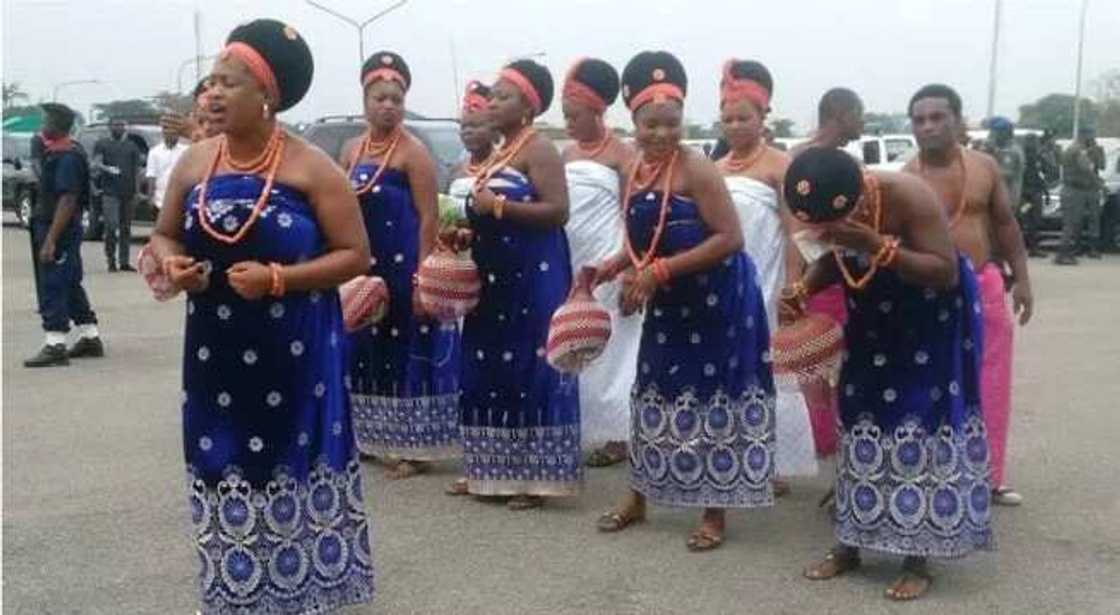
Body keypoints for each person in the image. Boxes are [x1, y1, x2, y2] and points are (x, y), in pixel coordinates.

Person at [146, 19, 375, 612]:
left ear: (267, 95)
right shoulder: (195, 164)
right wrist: (173, 267)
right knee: (221, 462)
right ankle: (235, 594)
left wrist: (280, 279)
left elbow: (356, 255)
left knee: (288, 462)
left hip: (294, 351)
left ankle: (303, 595)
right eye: (211, 82)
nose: (213, 94)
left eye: (231, 82)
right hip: (214, 352)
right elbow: (165, 235)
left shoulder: (310, 167)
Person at [789, 147, 993, 600]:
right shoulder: (833, 209)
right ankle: (851, 544)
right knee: (859, 422)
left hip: (926, 323)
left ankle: (917, 556)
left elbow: (942, 273)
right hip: (871, 322)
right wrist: (804, 286)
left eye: (834, 224)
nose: (827, 232)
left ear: (860, 193)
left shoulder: (909, 195)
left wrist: (875, 245)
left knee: (916, 427)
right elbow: (833, 258)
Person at [594, 51, 776, 552]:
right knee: (652, 392)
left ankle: (714, 511)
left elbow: (730, 238)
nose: (661, 134)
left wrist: (658, 271)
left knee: (711, 400)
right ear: (633, 122)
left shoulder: (697, 167)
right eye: (650, 125)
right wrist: (616, 265)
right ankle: (639, 495)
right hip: (669, 301)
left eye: (671, 124)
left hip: (719, 302)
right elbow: (645, 237)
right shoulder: (635, 169)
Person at [457, 59, 581, 510]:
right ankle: (490, 471)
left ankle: (536, 479)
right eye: (492, 94)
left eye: (503, 96)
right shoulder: (497, 152)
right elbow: (484, 209)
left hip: (533, 276)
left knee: (531, 368)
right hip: (492, 278)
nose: (492, 102)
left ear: (528, 107)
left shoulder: (540, 149)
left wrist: (500, 209)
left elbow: (558, 211)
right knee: (487, 366)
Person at [905, 84, 1033, 507]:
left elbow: (1006, 223)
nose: (928, 126)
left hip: (984, 284)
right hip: (931, 293)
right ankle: (938, 472)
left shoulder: (984, 167)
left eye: (937, 117)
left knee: (991, 382)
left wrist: (1024, 278)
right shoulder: (906, 179)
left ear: (958, 121)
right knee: (934, 384)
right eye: (920, 119)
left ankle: (990, 476)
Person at [339, 51, 460, 479]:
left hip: (403, 263)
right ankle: (371, 438)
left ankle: (413, 447)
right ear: (365, 101)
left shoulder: (414, 153)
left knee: (405, 348)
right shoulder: (351, 150)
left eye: (396, 98)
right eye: (380, 98)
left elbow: (429, 216)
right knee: (365, 348)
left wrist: (422, 275)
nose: (388, 105)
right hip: (363, 266)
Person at [715, 58, 817, 486]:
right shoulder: (715, 170)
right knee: (727, 364)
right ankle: (732, 448)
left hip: (770, 277)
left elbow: (798, 231)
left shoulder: (781, 164)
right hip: (724, 282)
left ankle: (775, 461)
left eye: (744, 117)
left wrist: (794, 286)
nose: (735, 126)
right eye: (728, 119)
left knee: (771, 366)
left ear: (762, 118)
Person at [559, 57, 642, 468]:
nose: (569, 123)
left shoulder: (624, 155)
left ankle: (618, 436)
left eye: (575, 116)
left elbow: (634, 216)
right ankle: (583, 425)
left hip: (609, 259)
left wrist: (628, 268)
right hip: (571, 259)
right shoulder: (566, 152)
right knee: (575, 343)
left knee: (613, 351)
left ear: (597, 110)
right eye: (565, 116)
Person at [23, 103, 103, 368]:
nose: (42, 125)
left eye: (46, 120)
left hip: (57, 228)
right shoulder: (60, 152)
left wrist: (51, 239)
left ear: (57, 124)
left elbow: (68, 200)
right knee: (69, 282)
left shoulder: (67, 156)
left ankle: (55, 342)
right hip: (54, 226)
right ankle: (90, 335)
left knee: (53, 283)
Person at [93, 117, 143, 271]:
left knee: (125, 228)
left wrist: (137, 191)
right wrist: (108, 169)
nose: (119, 128)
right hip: (110, 192)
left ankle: (124, 261)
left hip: (128, 192)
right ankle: (110, 260)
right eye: (116, 125)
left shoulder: (132, 146)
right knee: (111, 225)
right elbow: (97, 162)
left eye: (122, 125)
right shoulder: (102, 144)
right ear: (110, 127)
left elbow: (137, 171)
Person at [1055, 125, 1103, 265]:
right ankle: (1063, 255)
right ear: (1084, 135)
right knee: (1070, 224)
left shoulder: (1073, 148)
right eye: (1091, 135)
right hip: (1074, 191)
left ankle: (1065, 253)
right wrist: (1101, 185)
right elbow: (1086, 169)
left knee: (1071, 223)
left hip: (1072, 189)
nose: (1093, 138)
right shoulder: (1077, 150)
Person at [791, 87, 865, 156]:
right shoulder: (795, 159)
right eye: (858, 114)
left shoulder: (793, 156)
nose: (862, 122)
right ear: (841, 115)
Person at [985, 117, 1025, 220]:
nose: (992, 135)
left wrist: (992, 156)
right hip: (995, 199)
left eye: (995, 132)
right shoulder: (1000, 149)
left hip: (1007, 200)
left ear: (1005, 133)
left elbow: (1006, 174)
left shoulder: (1012, 151)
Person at [143, 123, 189, 210]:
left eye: (175, 133)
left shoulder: (186, 151)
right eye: (169, 133)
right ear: (164, 134)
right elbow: (151, 175)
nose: (172, 136)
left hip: (180, 197)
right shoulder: (155, 152)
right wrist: (150, 197)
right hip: (160, 198)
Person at [1020, 134, 1047, 257]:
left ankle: (1033, 248)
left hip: (1032, 194)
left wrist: (1045, 192)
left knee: (1033, 222)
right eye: (1034, 142)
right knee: (1027, 221)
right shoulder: (1025, 158)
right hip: (1028, 195)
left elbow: (1041, 177)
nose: (1036, 144)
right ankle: (1029, 248)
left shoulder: (1036, 158)